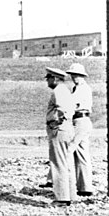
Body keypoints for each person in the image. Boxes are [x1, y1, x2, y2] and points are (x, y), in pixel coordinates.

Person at [44, 67, 76, 206]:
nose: (47, 81)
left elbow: (64, 110)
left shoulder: (59, 91)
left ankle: (62, 198)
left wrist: (57, 123)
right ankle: (70, 195)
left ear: (55, 78)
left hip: (59, 130)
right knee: (66, 163)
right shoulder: (65, 90)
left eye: (49, 78)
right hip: (66, 129)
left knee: (58, 163)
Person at [66, 62, 94, 197]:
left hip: (80, 120)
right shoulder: (79, 88)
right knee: (82, 154)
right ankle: (84, 187)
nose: (74, 77)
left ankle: (66, 185)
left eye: (76, 75)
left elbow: (71, 104)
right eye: (72, 75)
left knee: (69, 150)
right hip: (82, 121)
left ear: (82, 76)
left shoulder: (82, 89)